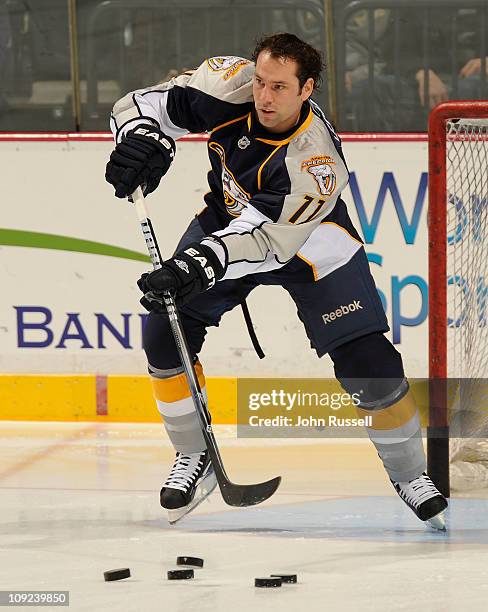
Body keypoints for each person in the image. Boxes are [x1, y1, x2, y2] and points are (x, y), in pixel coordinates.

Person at [105, 33, 448, 528]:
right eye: (262, 81)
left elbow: (271, 242)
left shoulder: (317, 161)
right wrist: (144, 137)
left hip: (308, 241)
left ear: (306, 89)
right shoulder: (230, 84)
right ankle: (193, 457)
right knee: (163, 331)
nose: (264, 96)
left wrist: (199, 263)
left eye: (280, 88)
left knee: (368, 360)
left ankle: (410, 474)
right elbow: (146, 103)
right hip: (226, 223)